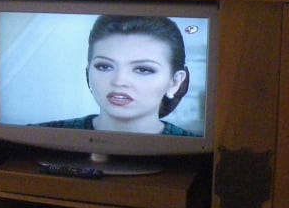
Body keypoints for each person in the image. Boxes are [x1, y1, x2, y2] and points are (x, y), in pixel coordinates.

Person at [38, 15, 193, 135]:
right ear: (88, 71)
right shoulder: (41, 135)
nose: (119, 81)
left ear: (175, 82)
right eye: (104, 66)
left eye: (143, 69)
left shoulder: (194, 150)